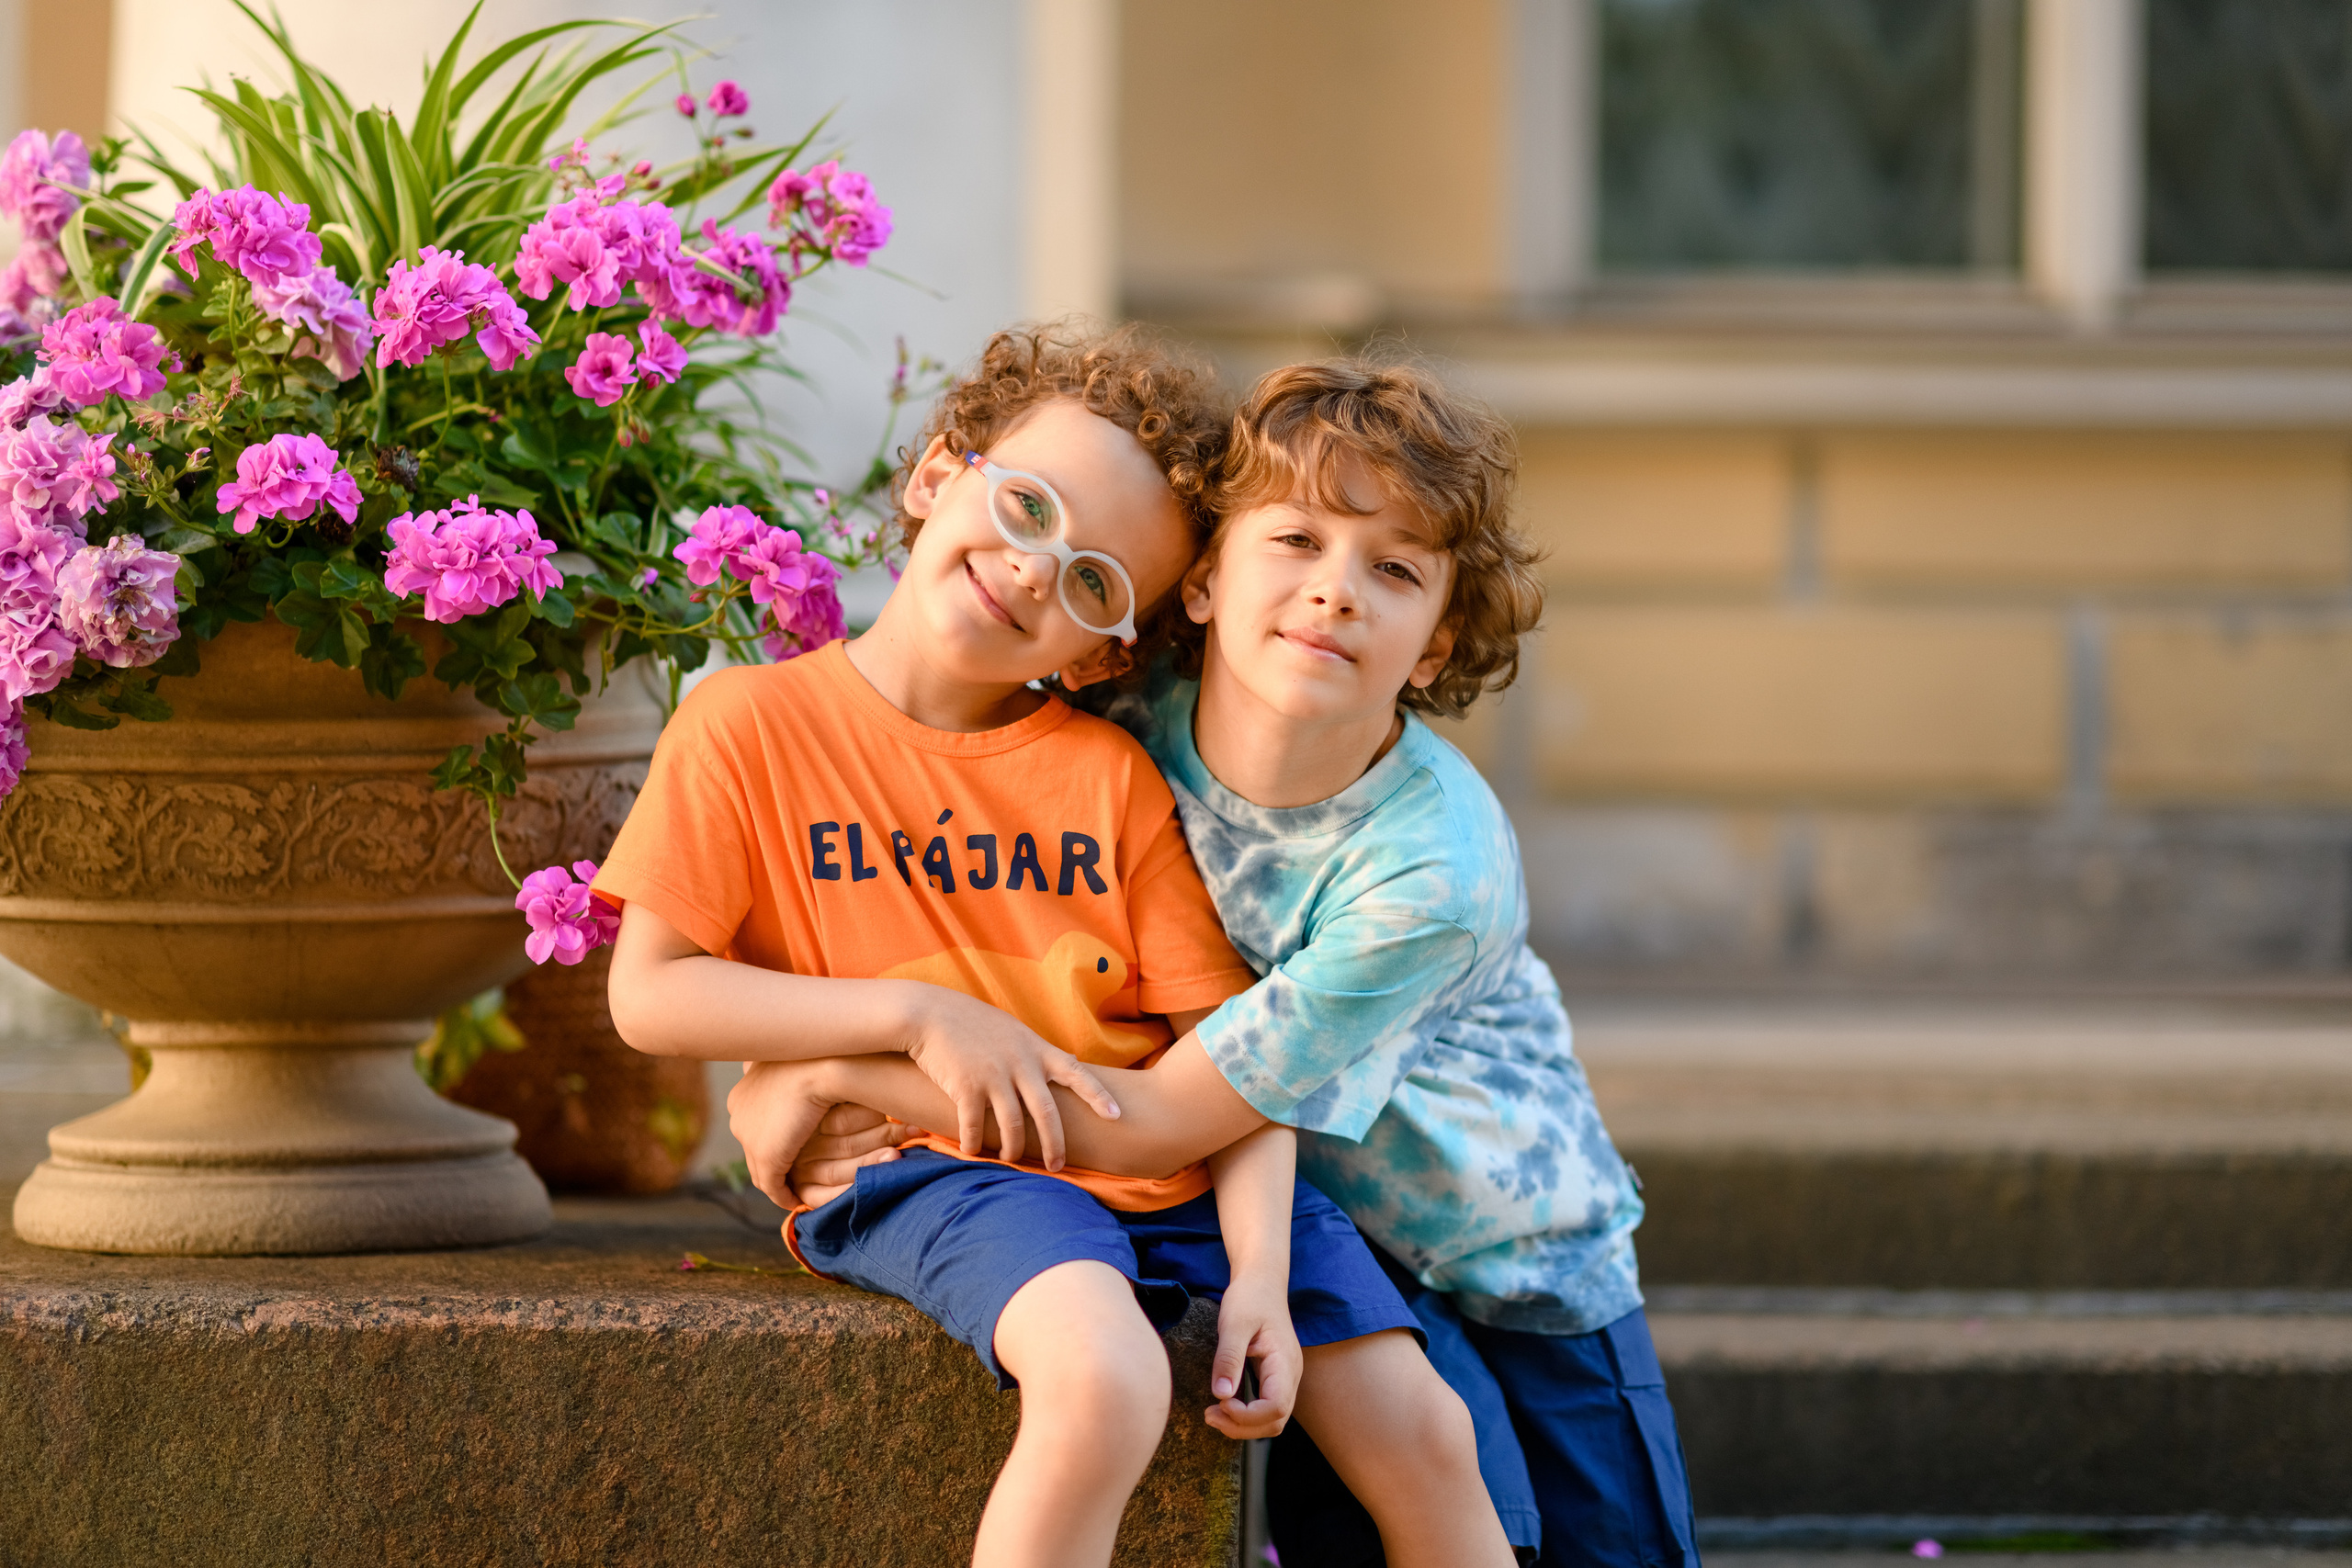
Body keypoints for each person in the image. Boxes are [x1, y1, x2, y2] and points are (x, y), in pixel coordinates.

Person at [601, 325, 1516, 1568]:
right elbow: (653, 994)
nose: (1036, 569)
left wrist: (1259, 1276)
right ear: (937, 475)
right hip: (941, 1171)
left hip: (1181, 1171)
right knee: (1106, 1381)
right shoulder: (746, 727)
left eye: (1092, 581)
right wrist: (913, 1017)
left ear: (1107, 651)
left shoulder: (1107, 771)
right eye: (1025, 506)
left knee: (1427, 1431)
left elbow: (1229, 1059)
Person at [770, 359, 1701, 1568]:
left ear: (1438, 645)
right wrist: (780, 1063)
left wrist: (832, 1076)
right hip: (1301, 1227)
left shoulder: (1430, 874)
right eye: (1298, 540)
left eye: (1396, 570)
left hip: (1504, 1258)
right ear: (1203, 580)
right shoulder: (1115, 728)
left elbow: (1152, 1117)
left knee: (1585, 1549)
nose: (1334, 593)